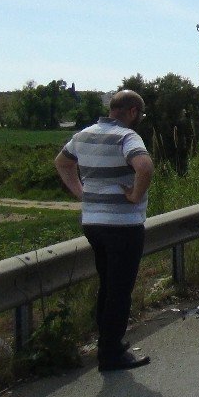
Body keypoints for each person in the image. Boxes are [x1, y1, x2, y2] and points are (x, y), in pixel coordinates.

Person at [53, 90, 154, 371]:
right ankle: (111, 354)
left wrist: (80, 192)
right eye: (140, 115)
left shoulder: (84, 135)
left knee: (108, 285)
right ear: (133, 111)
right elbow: (144, 166)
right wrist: (134, 195)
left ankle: (109, 344)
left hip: (93, 224)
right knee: (120, 290)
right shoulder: (127, 137)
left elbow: (62, 162)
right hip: (122, 225)